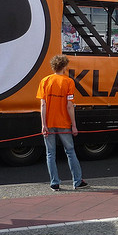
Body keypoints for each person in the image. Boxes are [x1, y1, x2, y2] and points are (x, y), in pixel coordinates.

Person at [37, 54, 88, 191]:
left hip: (49, 122)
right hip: (64, 122)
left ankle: (54, 182)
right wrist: (74, 125)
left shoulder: (45, 81)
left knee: (50, 153)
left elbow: (43, 105)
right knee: (70, 151)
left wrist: (43, 125)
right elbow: (69, 106)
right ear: (64, 66)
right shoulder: (68, 82)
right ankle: (77, 181)